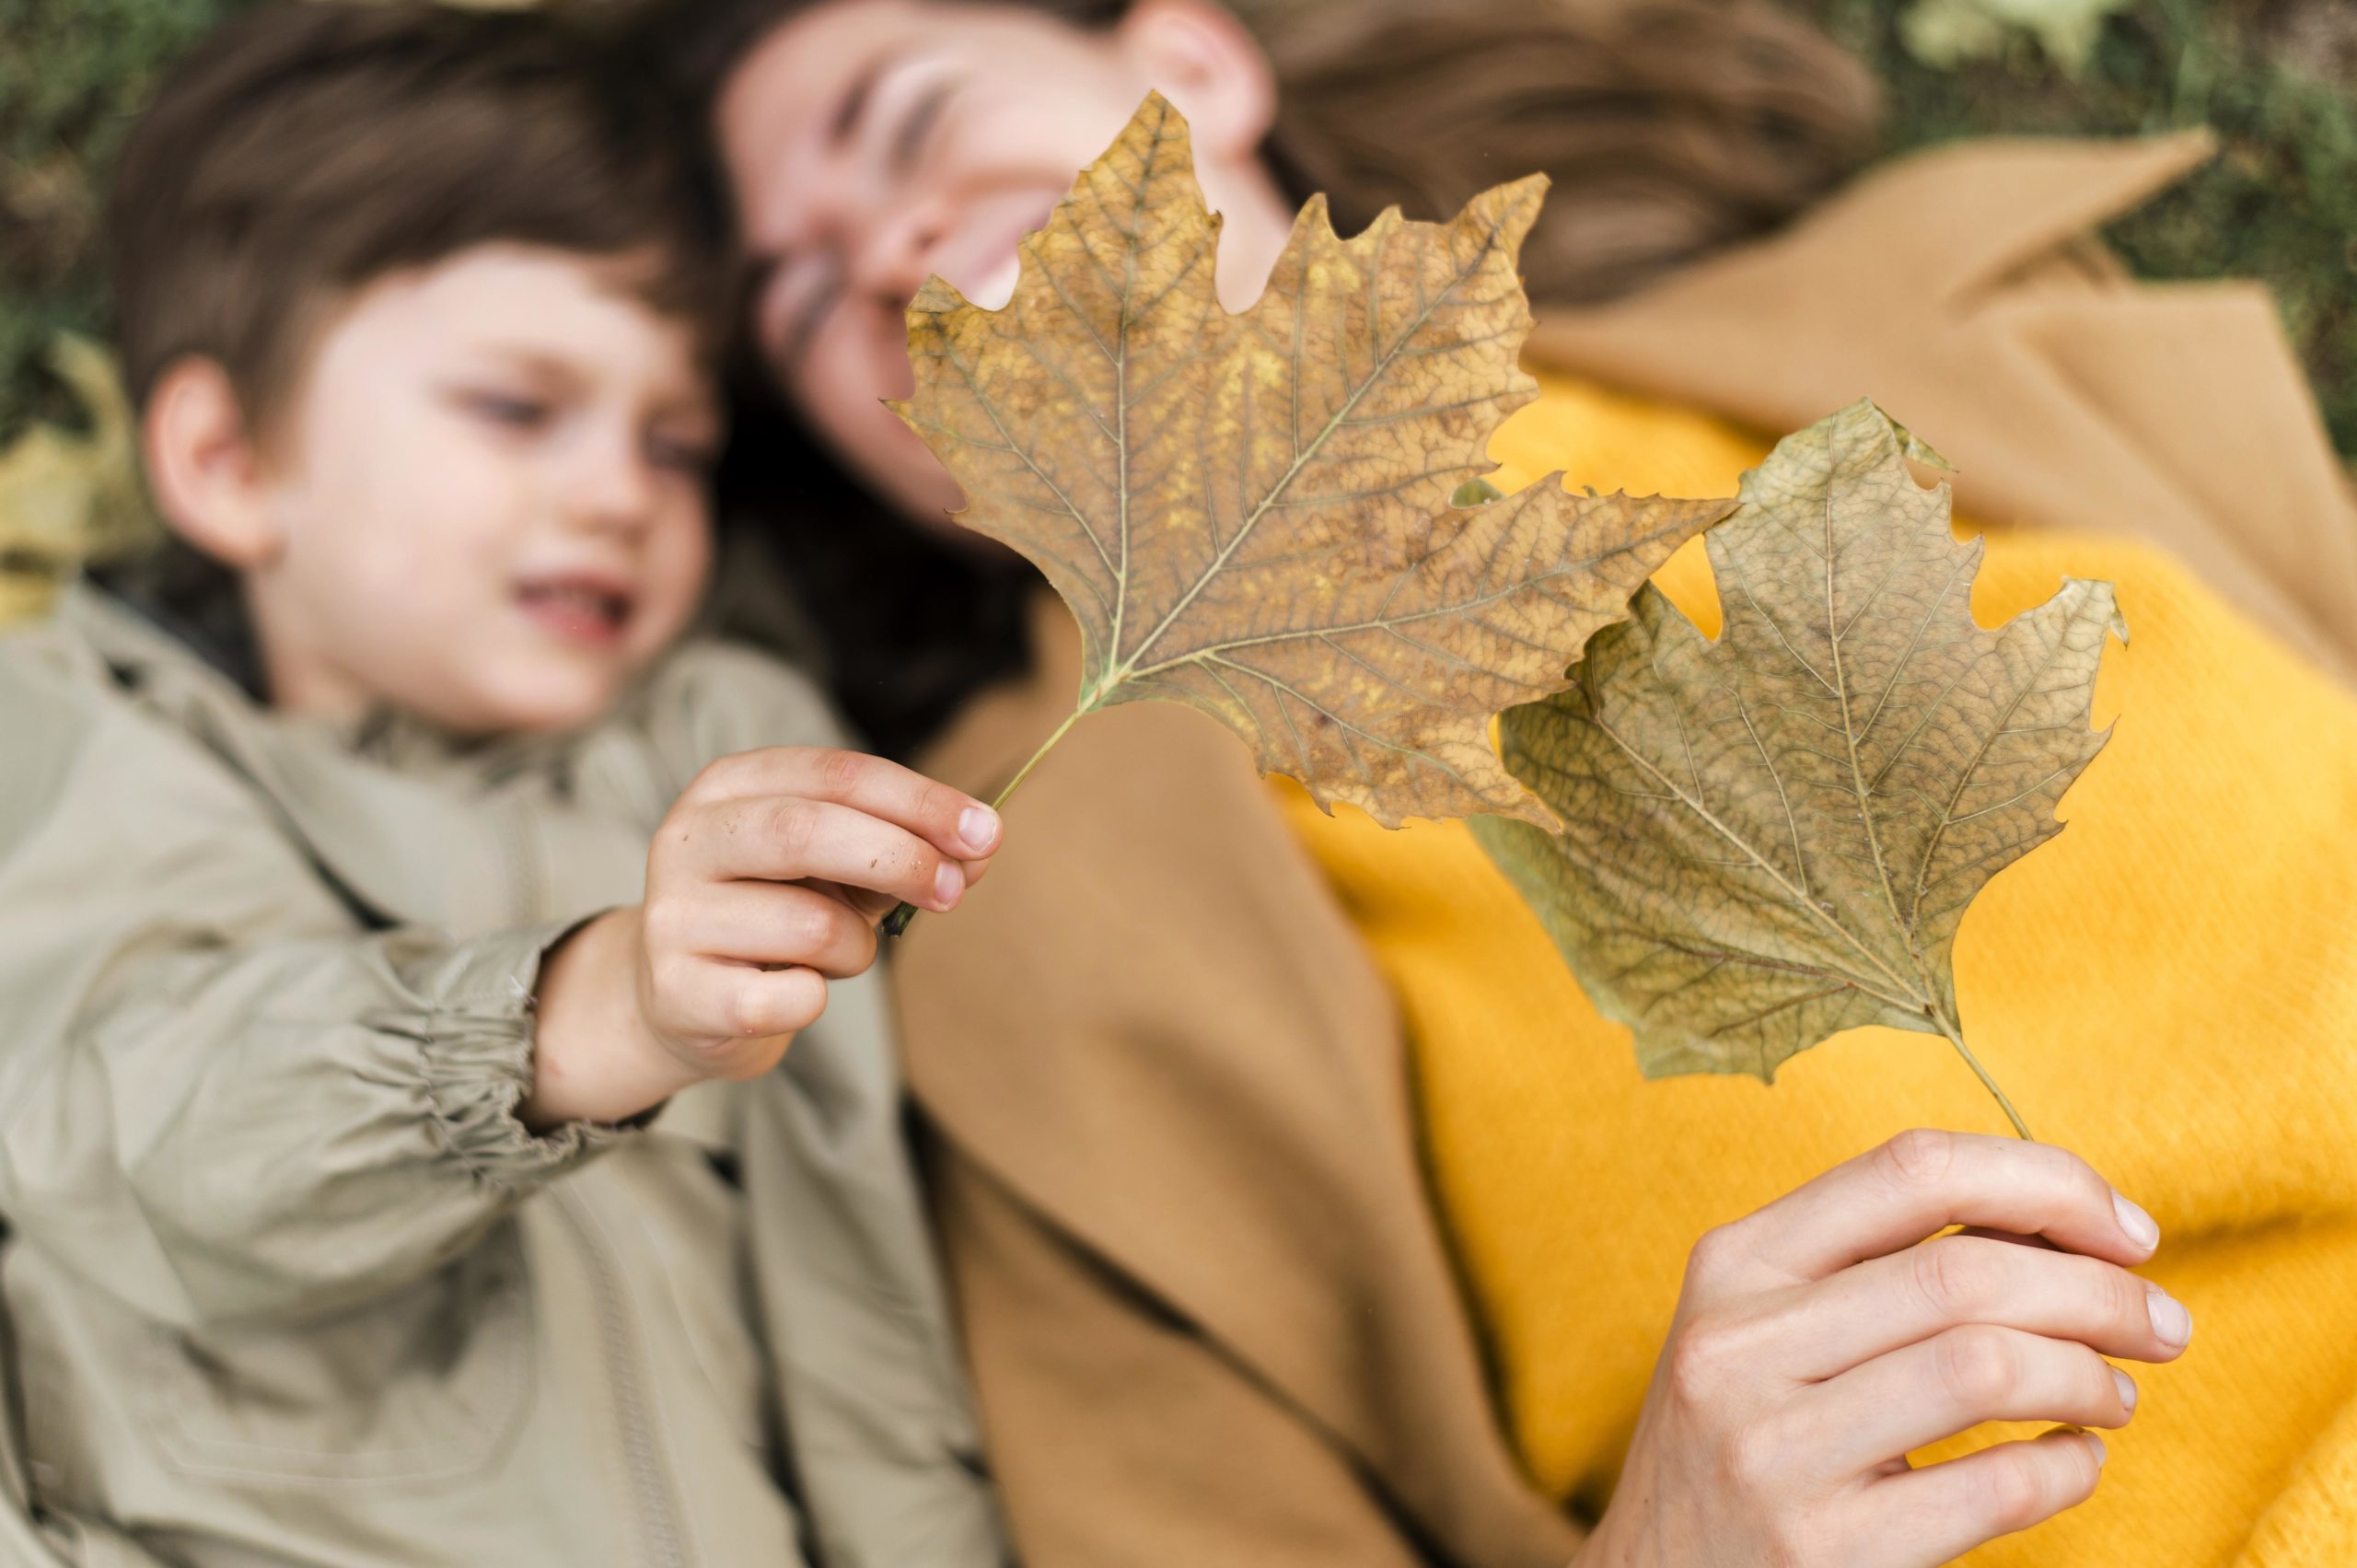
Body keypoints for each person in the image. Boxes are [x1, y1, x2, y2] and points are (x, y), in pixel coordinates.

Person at [656, 0, 2357, 1564]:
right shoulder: (1033, 947)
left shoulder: (1919, 334)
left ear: (1196, 57)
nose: (885, 249)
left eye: (912, 123)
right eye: (802, 302)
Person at [0, 7, 1012, 1564]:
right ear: (228, 462)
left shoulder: (725, 739)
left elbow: (856, 1286)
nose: (618, 490)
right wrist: (571, 1016)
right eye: (515, 408)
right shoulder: (86, 731)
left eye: (677, 442)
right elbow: (135, 1141)